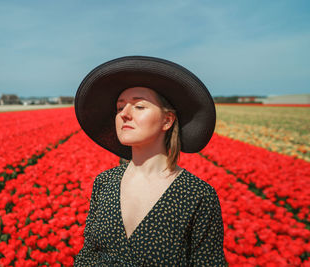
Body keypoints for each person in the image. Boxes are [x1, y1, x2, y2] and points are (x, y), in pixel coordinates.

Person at [73, 56, 225, 266]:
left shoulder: (198, 196)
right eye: (119, 107)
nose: (124, 114)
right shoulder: (105, 182)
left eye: (139, 106)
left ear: (167, 120)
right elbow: (88, 255)